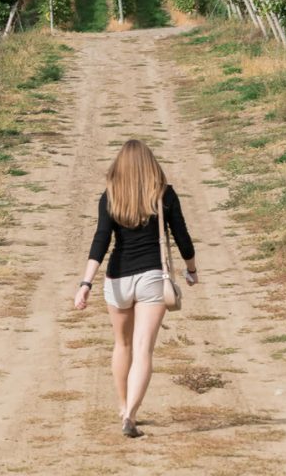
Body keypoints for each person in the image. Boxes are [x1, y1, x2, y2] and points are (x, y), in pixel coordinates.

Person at [74, 139, 198, 437]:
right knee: (143, 348)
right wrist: (191, 270)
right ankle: (131, 413)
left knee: (122, 344)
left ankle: (122, 405)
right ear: (150, 164)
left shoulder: (110, 196)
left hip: (117, 279)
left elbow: (100, 240)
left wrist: (85, 283)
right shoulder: (164, 196)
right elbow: (182, 237)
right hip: (152, 278)